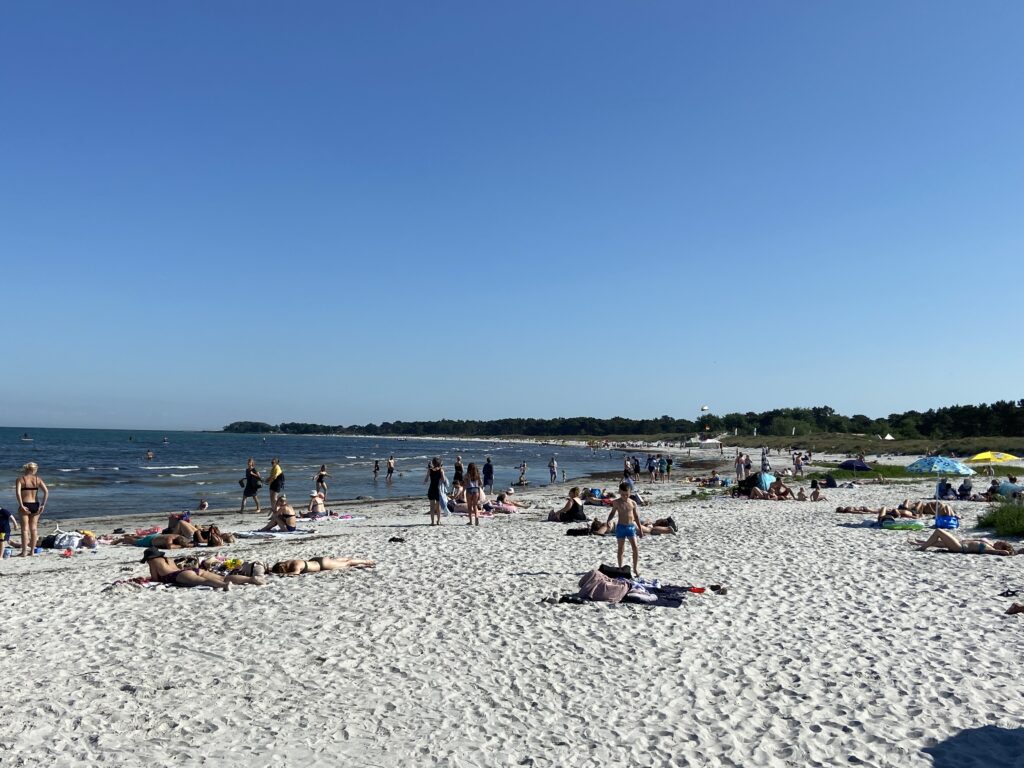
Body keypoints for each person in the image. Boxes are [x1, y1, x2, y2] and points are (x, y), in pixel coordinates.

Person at [141, 548, 266, 589]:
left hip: (179, 576)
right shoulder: (169, 559)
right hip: (190, 570)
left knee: (204, 582)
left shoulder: (153, 562)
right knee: (224, 577)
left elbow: (156, 578)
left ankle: (224, 586)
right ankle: (251, 580)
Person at [605, 482, 643, 576]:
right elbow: (612, 513)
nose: (625, 496)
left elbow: (636, 516)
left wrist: (640, 529)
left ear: (630, 492)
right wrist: (608, 520)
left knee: (635, 548)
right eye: (622, 494)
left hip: (631, 527)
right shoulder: (616, 502)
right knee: (621, 549)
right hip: (621, 527)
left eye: (627, 494)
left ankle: (635, 568)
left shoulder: (633, 502)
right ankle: (621, 568)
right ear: (619, 492)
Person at [15, 462, 48, 557]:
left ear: (26, 469)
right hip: (36, 505)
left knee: (24, 530)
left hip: (25, 504)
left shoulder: (20, 479)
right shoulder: (38, 479)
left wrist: (21, 505)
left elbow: (18, 493)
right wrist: (42, 505)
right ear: (34, 470)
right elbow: (46, 492)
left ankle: (24, 552)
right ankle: (32, 551)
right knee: (34, 529)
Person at [915, 530, 1015, 556]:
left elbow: (1005, 553)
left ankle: (922, 547)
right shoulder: (990, 546)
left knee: (939, 531)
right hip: (959, 544)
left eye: (1000, 542)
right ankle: (922, 544)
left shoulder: (992, 550)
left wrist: (1005, 551)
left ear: (1002, 547)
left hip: (959, 547)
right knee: (940, 540)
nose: (998, 541)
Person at [269, 556, 376, 575]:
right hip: (317, 560)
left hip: (322, 564)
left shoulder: (295, 566)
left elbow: (296, 573)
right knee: (337, 560)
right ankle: (354, 558)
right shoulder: (289, 561)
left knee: (347, 564)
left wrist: (285, 575)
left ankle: (366, 561)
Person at [425, 457, 447, 526]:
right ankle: (438, 521)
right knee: (438, 506)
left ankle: (432, 522)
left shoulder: (430, 470)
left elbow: (426, 480)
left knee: (431, 507)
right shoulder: (441, 470)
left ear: (433, 463)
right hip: (438, 489)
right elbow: (443, 480)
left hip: (431, 488)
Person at [114, 533, 192, 549]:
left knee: (142, 537)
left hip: (157, 536)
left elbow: (187, 542)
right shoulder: (170, 539)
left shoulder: (178, 536)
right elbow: (169, 546)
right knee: (135, 542)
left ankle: (133, 535)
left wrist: (189, 544)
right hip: (150, 541)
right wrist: (181, 546)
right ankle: (121, 539)